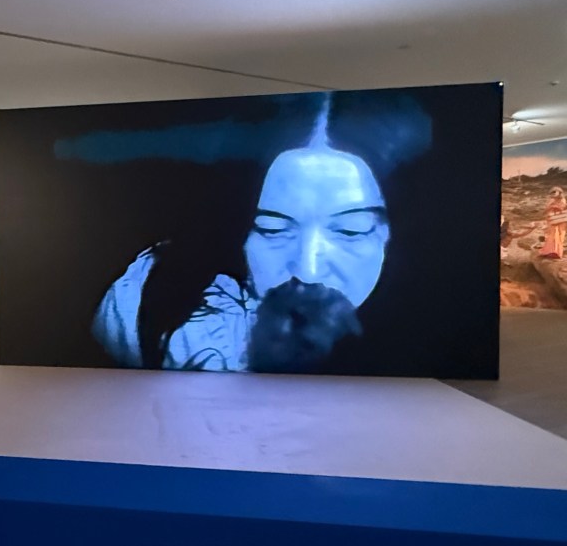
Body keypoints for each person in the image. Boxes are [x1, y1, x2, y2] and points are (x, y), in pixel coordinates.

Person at [92, 91, 431, 373]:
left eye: (350, 230)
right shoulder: (150, 299)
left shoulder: (436, 338)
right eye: (272, 229)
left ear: (393, 232)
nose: (307, 270)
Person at [539, 187, 567, 259]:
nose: (553, 194)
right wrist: (552, 206)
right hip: (552, 220)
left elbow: (563, 210)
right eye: (552, 192)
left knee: (558, 236)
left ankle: (556, 252)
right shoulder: (551, 201)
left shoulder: (563, 200)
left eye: (555, 192)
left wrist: (555, 207)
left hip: (560, 221)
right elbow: (545, 211)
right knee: (551, 237)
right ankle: (549, 251)